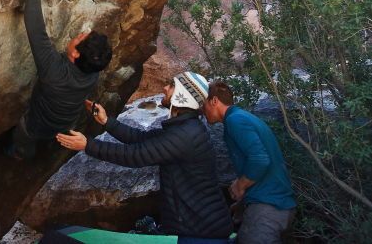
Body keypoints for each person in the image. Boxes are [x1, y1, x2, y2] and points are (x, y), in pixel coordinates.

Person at [57, 72, 234, 240]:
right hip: (199, 224)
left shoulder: (184, 135)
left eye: (172, 85)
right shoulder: (185, 128)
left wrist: (88, 145)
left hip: (201, 230)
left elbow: (135, 156)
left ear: (183, 95)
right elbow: (140, 138)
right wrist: (106, 121)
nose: (165, 88)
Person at [5, 0, 112, 160]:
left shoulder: (54, 71)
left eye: (80, 37)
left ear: (74, 53)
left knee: (23, 138)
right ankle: (41, 151)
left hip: (35, 124)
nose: (79, 33)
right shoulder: (93, 71)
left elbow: (35, 27)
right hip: (65, 123)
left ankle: (18, 154)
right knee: (49, 136)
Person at [203, 81, 296, 244]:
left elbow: (260, 160)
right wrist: (243, 201)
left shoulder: (235, 120)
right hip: (276, 207)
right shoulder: (240, 117)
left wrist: (240, 185)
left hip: (267, 210)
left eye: (202, 105)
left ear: (214, 101)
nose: (201, 110)